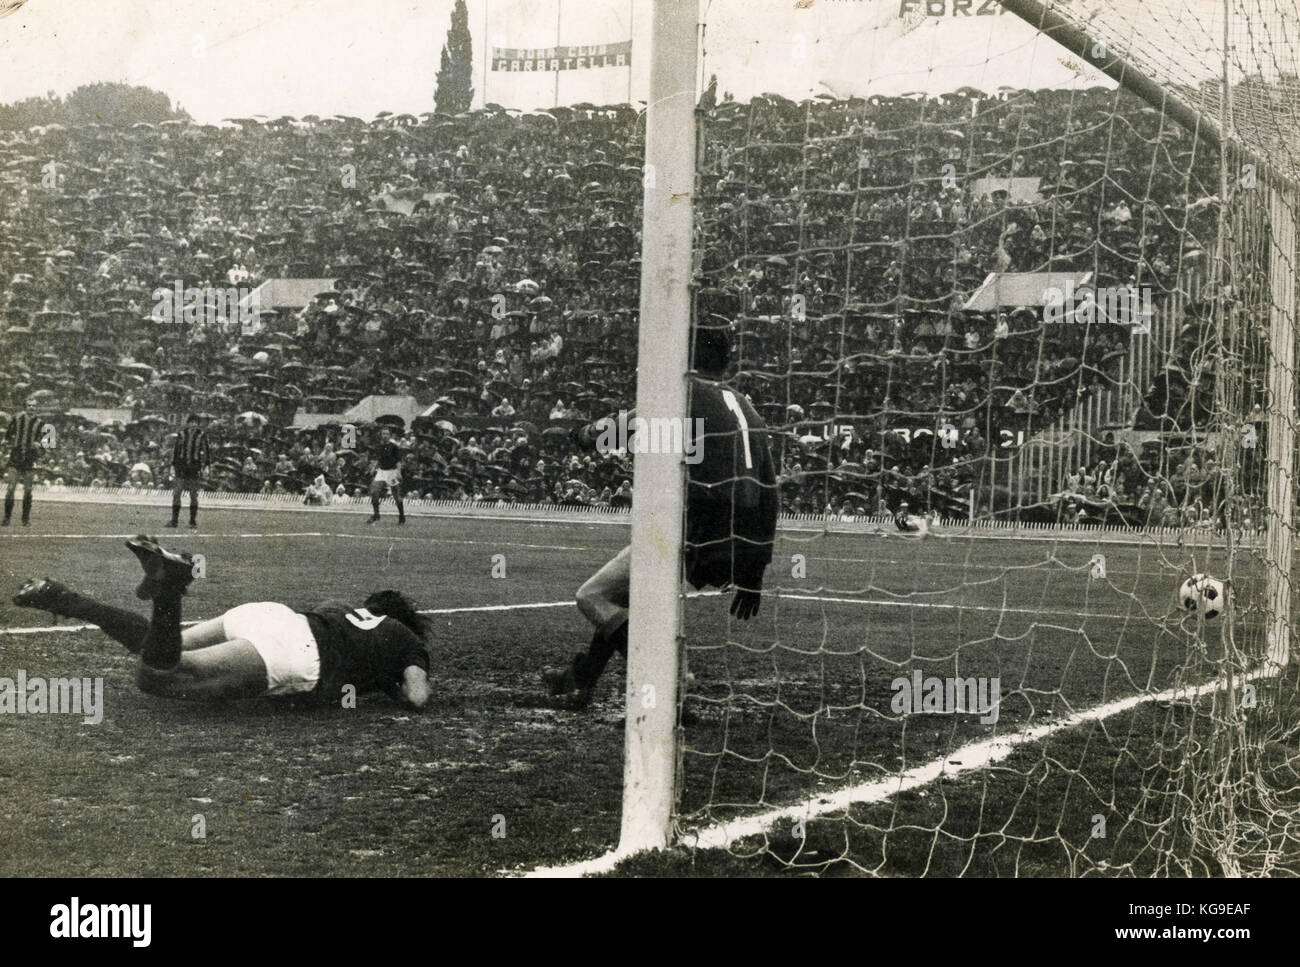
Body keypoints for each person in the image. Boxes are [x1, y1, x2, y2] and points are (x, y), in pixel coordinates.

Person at [540, 324, 779, 708]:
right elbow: (770, 494)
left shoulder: (682, 395)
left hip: (696, 532)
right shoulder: (747, 408)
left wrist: (580, 433)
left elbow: (606, 435)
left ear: (685, 357)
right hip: (740, 544)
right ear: (726, 362)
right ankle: (580, 681)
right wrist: (755, 570)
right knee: (626, 595)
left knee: (592, 597)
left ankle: (669, 685)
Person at [12, 536, 432, 707]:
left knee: (161, 645)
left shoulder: (343, 605)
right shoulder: (405, 640)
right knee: (159, 677)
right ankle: (170, 590)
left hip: (273, 616)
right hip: (299, 652)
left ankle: (68, 600)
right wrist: (389, 685)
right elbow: (418, 696)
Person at [3, 401, 47, 528]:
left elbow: (48, 442)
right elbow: (7, 435)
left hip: (30, 458)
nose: (32, 408)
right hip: (16, 457)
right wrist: (7, 443)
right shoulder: (16, 419)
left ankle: (25, 519)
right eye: (29, 405)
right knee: (11, 488)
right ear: (25, 407)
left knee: (28, 490)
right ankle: (6, 518)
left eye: (34, 406)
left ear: (36, 408)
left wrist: (40, 445)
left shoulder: (41, 423)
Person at [167, 414, 210, 529]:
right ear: (188, 423)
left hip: (194, 468)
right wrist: (173, 465)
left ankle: (192, 521)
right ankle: (174, 520)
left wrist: (206, 465)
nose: (193, 424)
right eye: (191, 422)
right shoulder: (181, 434)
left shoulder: (201, 435)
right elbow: (176, 451)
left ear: (198, 423)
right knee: (177, 493)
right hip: (181, 467)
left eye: (195, 422)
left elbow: (206, 451)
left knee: (193, 495)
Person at [368, 426, 406, 524]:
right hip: (382, 471)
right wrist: (373, 468)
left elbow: (398, 461)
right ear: (381, 435)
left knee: (396, 496)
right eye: (383, 434)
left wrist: (399, 472)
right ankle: (376, 514)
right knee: (374, 491)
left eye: (387, 434)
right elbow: (378, 459)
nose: (385, 436)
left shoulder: (394, 447)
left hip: (392, 472)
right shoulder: (379, 447)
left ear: (390, 435)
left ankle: (401, 515)